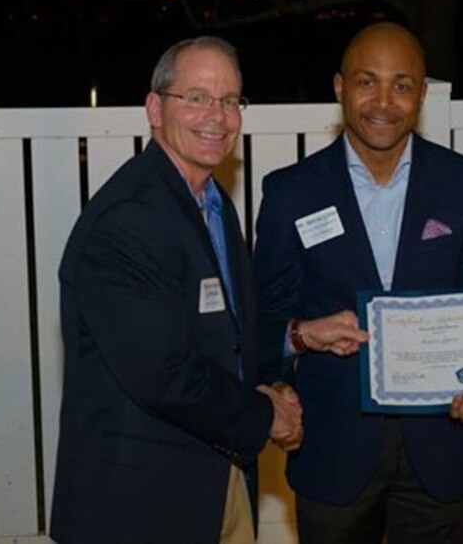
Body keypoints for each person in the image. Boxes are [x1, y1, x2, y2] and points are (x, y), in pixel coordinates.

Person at [252, 22, 463, 544]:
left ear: (422, 96)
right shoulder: (290, 193)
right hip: (331, 446)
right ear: (340, 87)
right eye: (367, 82)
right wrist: (279, 381)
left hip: (443, 445)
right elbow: (266, 322)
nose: (383, 101)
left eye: (402, 84)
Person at [50, 36, 302, 544]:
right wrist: (265, 414)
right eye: (197, 97)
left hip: (213, 479)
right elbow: (165, 374)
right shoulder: (128, 221)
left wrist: (289, 348)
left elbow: (222, 337)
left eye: (231, 100)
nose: (218, 115)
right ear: (153, 108)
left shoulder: (210, 202)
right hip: (140, 505)